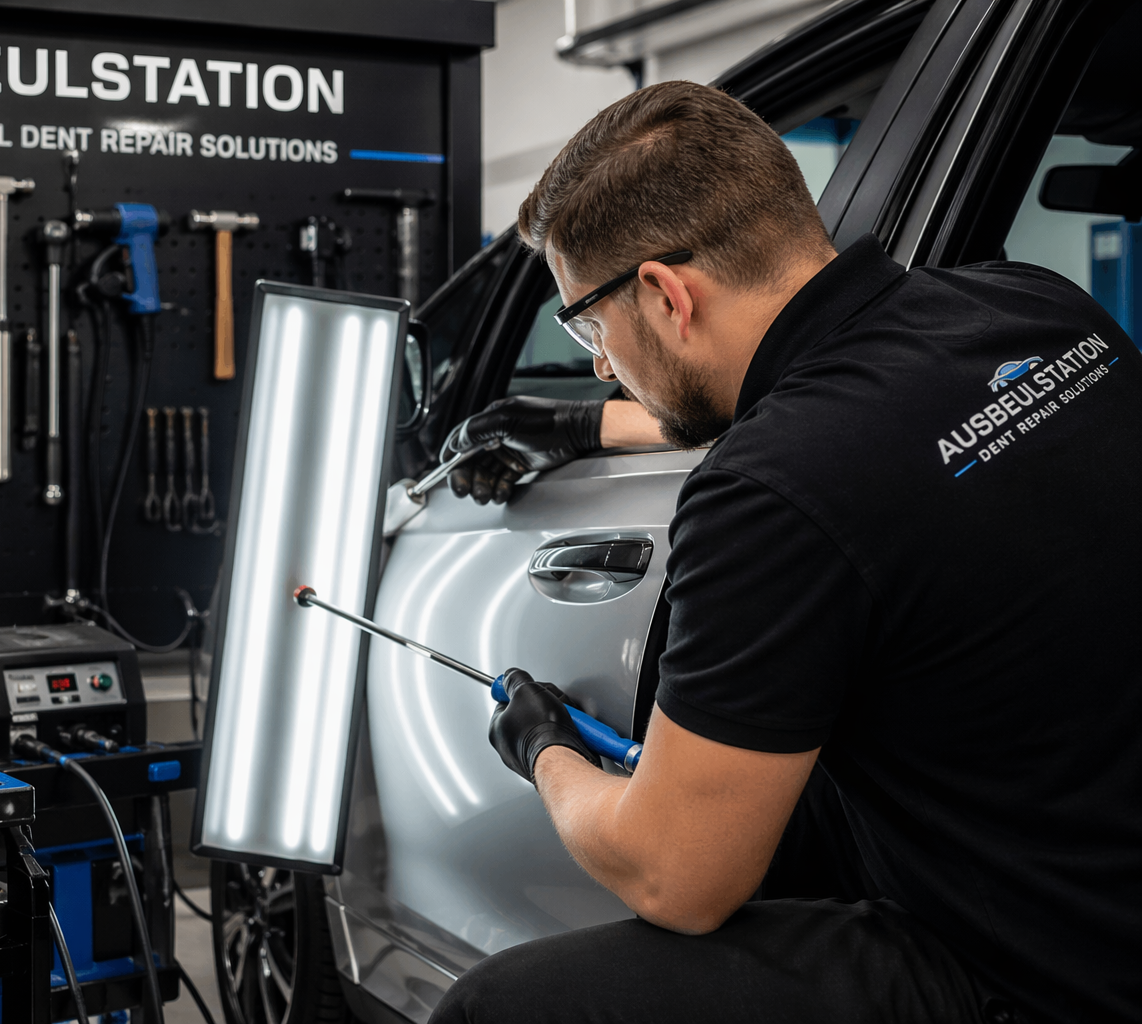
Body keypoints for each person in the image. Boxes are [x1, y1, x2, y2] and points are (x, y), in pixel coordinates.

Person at [428, 80, 1141, 1024]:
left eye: (590, 328)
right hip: (1102, 873)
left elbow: (677, 878)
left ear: (664, 294)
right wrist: (585, 426)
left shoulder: (767, 493)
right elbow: (875, 421)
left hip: (1040, 980)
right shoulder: (1039, 311)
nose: (600, 363)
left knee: (494, 1010)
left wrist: (546, 749)